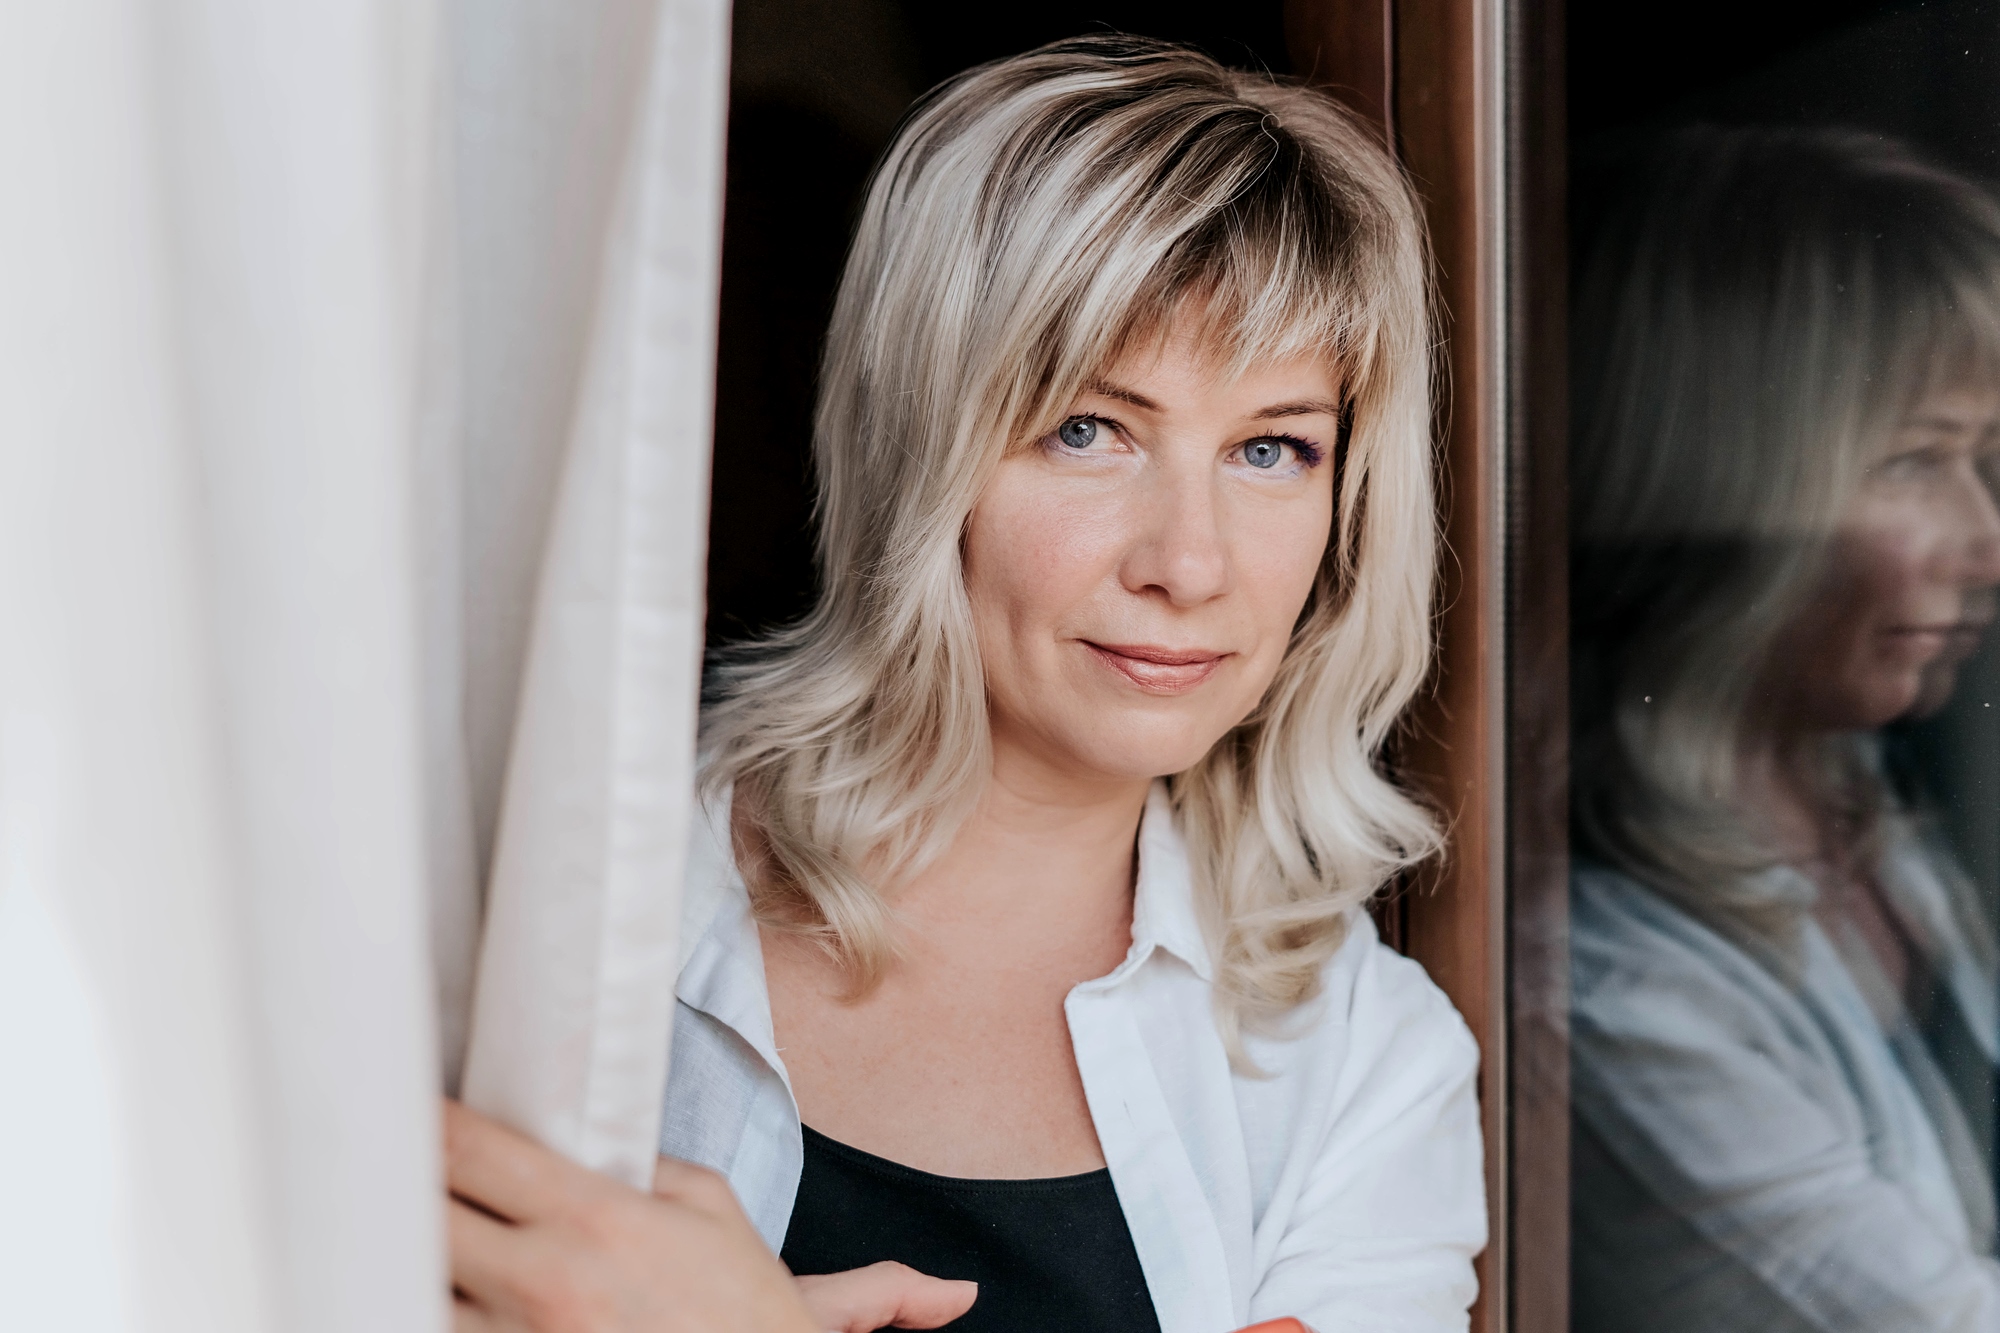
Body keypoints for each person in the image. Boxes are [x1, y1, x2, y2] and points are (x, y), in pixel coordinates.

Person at [447, 35, 1485, 1333]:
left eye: (1272, 448)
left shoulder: (1357, 1063)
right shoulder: (574, 897)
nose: (1190, 561)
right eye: (1089, 429)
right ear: (922, 436)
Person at [1567, 125, 2000, 1331]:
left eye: (1985, 459)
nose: (1985, 546)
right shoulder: (1603, 971)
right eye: (1916, 463)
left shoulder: (1871, 797)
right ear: (1736, 482)